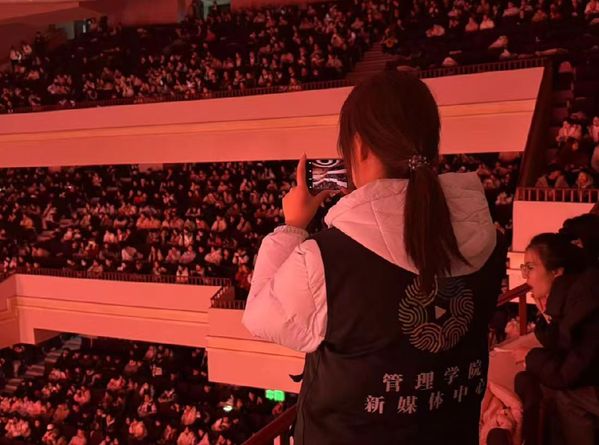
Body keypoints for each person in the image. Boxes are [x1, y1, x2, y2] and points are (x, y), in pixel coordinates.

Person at [243, 71, 506, 445]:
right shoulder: (488, 240)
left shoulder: (324, 258)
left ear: (360, 146)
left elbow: (260, 316)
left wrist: (292, 227)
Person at [515, 233, 599, 445]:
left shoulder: (586, 301)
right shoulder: (571, 298)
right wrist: (548, 316)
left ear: (556, 272)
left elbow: (568, 374)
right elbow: (562, 346)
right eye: (523, 268)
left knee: (566, 397)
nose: (525, 277)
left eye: (530, 267)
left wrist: (530, 357)